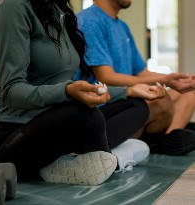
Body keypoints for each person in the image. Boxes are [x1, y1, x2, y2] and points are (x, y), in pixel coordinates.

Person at [0, 0, 167, 186]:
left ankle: (80, 160)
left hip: (56, 123)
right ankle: (111, 160)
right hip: (12, 135)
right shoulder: (13, 7)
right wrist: (67, 91)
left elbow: (62, 85)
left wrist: (129, 90)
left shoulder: (58, 10)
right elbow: (12, 92)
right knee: (83, 114)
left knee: (136, 105)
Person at [74, 0, 195, 156]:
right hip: (105, 106)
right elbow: (106, 77)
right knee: (161, 100)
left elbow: (141, 72)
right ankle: (155, 142)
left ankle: (162, 142)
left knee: (187, 96)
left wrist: (175, 79)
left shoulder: (122, 26)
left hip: (128, 99)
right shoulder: (89, 20)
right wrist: (164, 82)